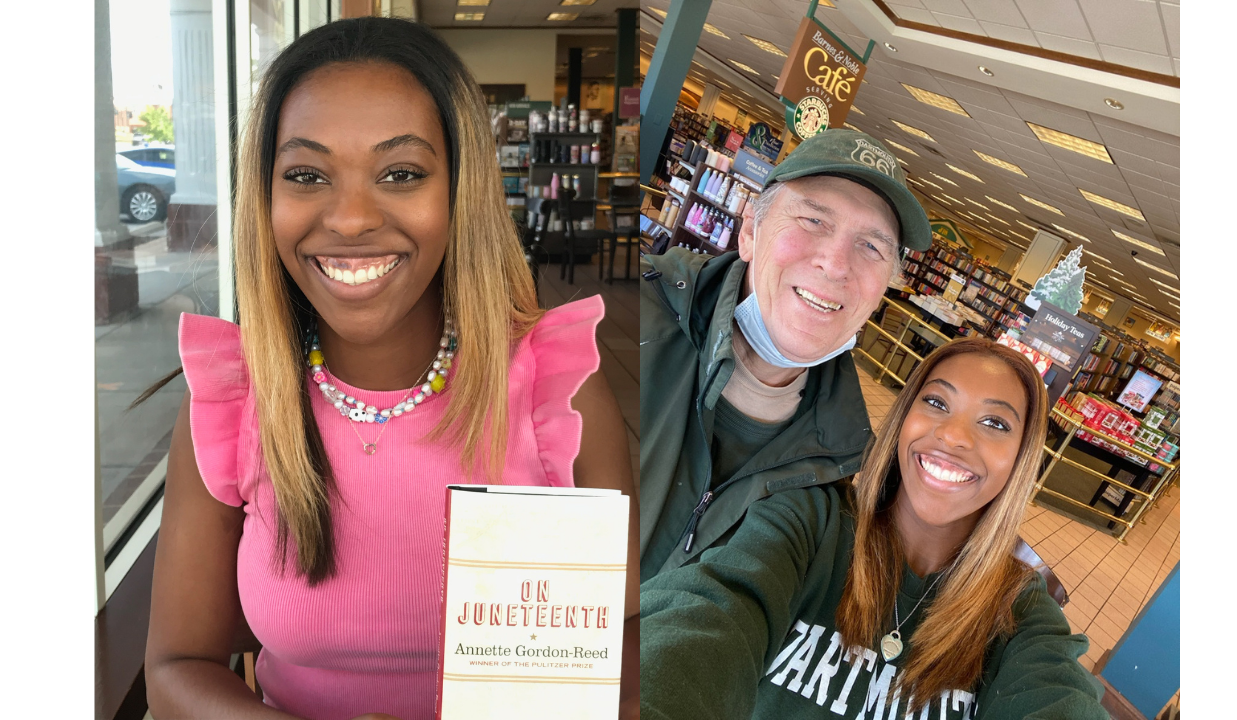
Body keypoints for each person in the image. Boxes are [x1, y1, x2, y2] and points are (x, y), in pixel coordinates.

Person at [142, 18, 639, 720]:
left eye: (401, 173)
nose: (349, 218)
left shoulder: (557, 393)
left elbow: (625, 648)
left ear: (459, 191)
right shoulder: (235, 398)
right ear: (266, 197)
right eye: (307, 175)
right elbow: (175, 666)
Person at [639, 337, 1108, 719]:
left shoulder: (1022, 609)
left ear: (1021, 460)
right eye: (937, 402)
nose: (954, 436)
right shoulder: (810, 522)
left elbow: (1056, 694)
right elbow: (708, 620)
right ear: (904, 417)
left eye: (993, 422)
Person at [639, 129, 932, 581]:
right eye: (813, 220)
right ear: (751, 231)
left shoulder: (844, 466)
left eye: (872, 246)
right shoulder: (620, 316)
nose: (835, 264)